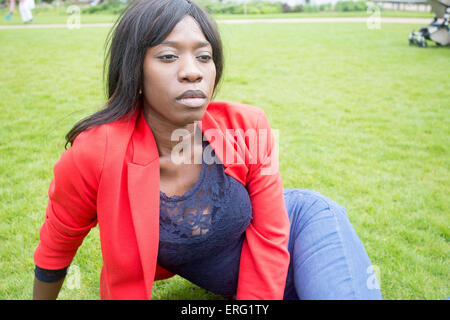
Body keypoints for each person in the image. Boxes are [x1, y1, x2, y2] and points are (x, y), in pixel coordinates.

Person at [32, 0, 382, 300]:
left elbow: (272, 234)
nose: (192, 72)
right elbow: (57, 245)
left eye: (204, 57)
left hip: (305, 226)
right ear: (134, 70)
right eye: (168, 56)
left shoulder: (247, 125)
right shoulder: (95, 152)